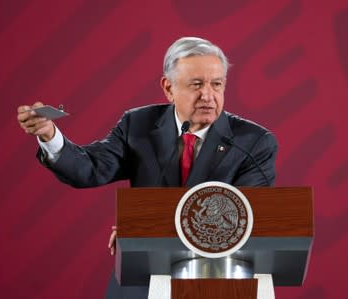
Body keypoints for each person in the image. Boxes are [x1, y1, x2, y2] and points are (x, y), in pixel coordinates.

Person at [17, 36, 278, 298]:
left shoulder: (254, 143)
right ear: (168, 88)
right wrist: (50, 136)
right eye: (196, 84)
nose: (208, 95)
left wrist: (145, 229)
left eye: (217, 84)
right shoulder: (138, 125)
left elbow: (240, 224)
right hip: (142, 280)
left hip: (216, 281)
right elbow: (90, 168)